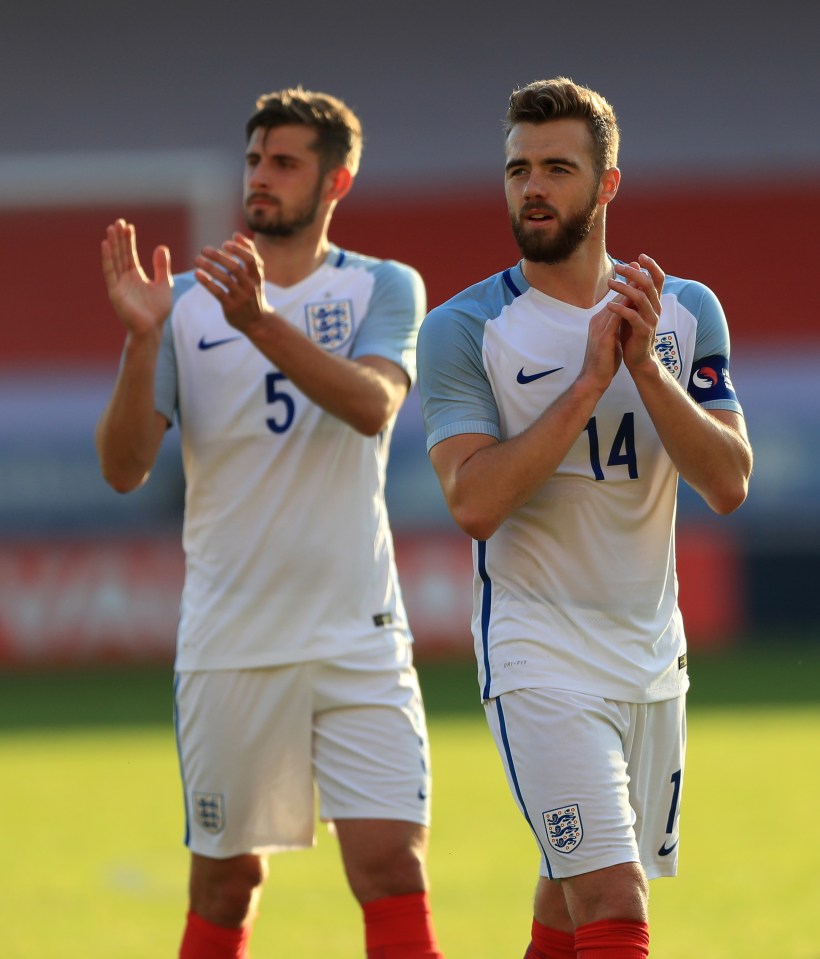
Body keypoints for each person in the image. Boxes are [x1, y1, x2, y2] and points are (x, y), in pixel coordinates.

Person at [95, 87, 445, 959]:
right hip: (232, 638)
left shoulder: (381, 286)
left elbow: (373, 406)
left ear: (337, 180)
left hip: (358, 634)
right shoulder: (178, 305)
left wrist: (258, 324)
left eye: (284, 161)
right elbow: (124, 467)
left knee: (393, 868)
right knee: (225, 881)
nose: (261, 177)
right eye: (255, 159)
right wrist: (143, 344)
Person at [416, 77, 753, 959]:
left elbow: (727, 483)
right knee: (612, 893)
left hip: (650, 654)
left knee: (570, 902)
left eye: (558, 168)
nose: (533, 187)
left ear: (606, 185)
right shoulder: (463, 328)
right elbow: (475, 501)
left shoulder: (684, 313)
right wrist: (590, 382)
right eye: (518, 168)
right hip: (537, 653)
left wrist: (646, 368)